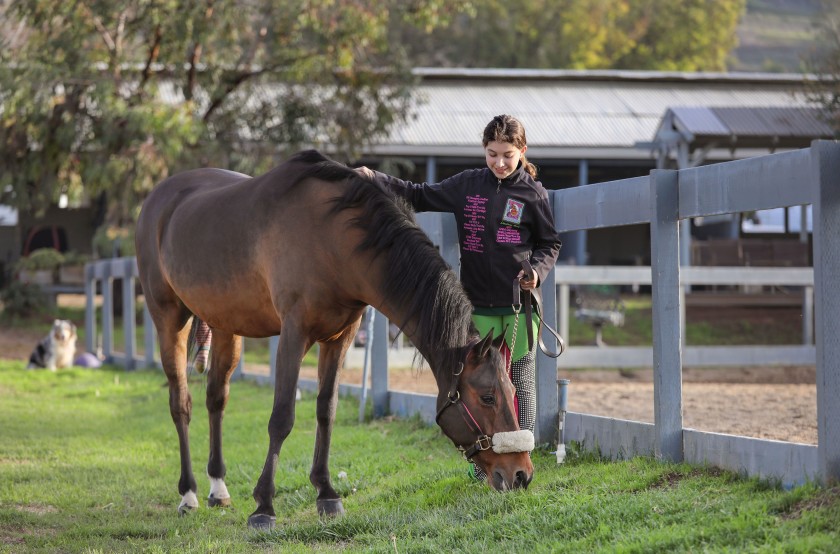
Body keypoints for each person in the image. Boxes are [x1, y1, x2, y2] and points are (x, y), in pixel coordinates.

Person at [357, 114, 562, 481]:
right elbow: (419, 193)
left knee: (519, 381)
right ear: (484, 151)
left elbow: (550, 243)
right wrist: (376, 179)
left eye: (508, 155)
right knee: (479, 383)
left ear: (522, 152)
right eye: (492, 154)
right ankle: (481, 463)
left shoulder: (533, 194)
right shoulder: (467, 185)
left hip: (518, 307)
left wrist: (535, 270)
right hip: (478, 309)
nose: (499, 163)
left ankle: (523, 459)